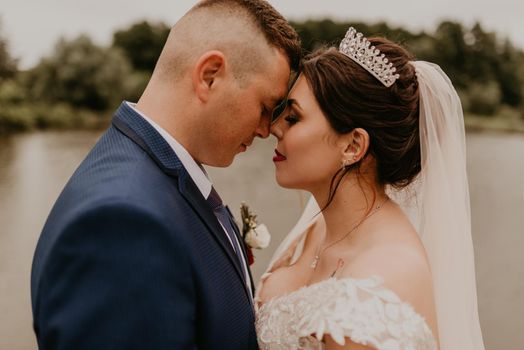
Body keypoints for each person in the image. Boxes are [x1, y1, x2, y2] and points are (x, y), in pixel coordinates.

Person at [30, 1, 300, 349]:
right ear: (209, 76)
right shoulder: (122, 226)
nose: (267, 129)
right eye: (265, 107)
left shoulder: (160, 171)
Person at [256, 27, 485, 349]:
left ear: (353, 146)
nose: (274, 128)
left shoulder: (387, 273)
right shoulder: (317, 228)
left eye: (293, 118)